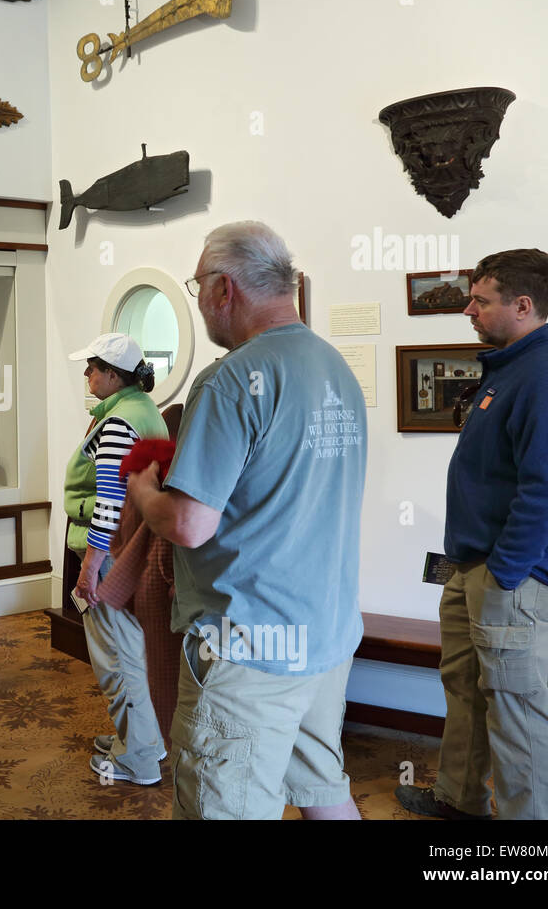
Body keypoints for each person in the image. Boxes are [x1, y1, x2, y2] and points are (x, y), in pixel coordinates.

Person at [129, 221, 367, 820]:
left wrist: (142, 490)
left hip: (250, 648)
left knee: (223, 805)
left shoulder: (230, 378)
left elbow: (189, 524)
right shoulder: (334, 366)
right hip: (326, 635)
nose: (200, 299)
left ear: (224, 288)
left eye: (198, 284)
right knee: (324, 792)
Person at [396, 249, 548, 821]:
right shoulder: (511, 368)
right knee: (466, 687)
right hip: (471, 565)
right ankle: (459, 800)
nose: (468, 309)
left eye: (481, 300)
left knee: (516, 705)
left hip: (511, 575)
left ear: (523, 305)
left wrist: (506, 572)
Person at [63, 333, 169, 785]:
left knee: (115, 660)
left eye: (91, 367)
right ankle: (146, 739)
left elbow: (109, 501)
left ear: (112, 374)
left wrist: (90, 566)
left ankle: (139, 758)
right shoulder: (143, 412)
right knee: (132, 650)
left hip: (111, 556)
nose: (86, 374)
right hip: (135, 550)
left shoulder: (118, 423)